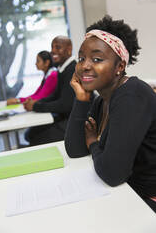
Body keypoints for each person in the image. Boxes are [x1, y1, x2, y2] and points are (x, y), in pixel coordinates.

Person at [64, 15, 156, 213]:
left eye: (97, 59)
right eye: (81, 58)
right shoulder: (102, 99)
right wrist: (81, 98)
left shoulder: (132, 95)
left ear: (120, 66)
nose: (85, 65)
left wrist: (93, 144)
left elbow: (113, 173)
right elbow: (75, 150)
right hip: (126, 193)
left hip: (146, 200)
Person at [23, 36, 76, 146]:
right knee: (30, 134)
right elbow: (55, 95)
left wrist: (35, 106)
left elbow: (65, 105)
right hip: (64, 117)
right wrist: (36, 103)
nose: (53, 51)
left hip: (73, 122)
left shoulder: (73, 69)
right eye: (52, 47)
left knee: (34, 140)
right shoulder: (63, 69)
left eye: (58, 47)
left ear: (69, 49)